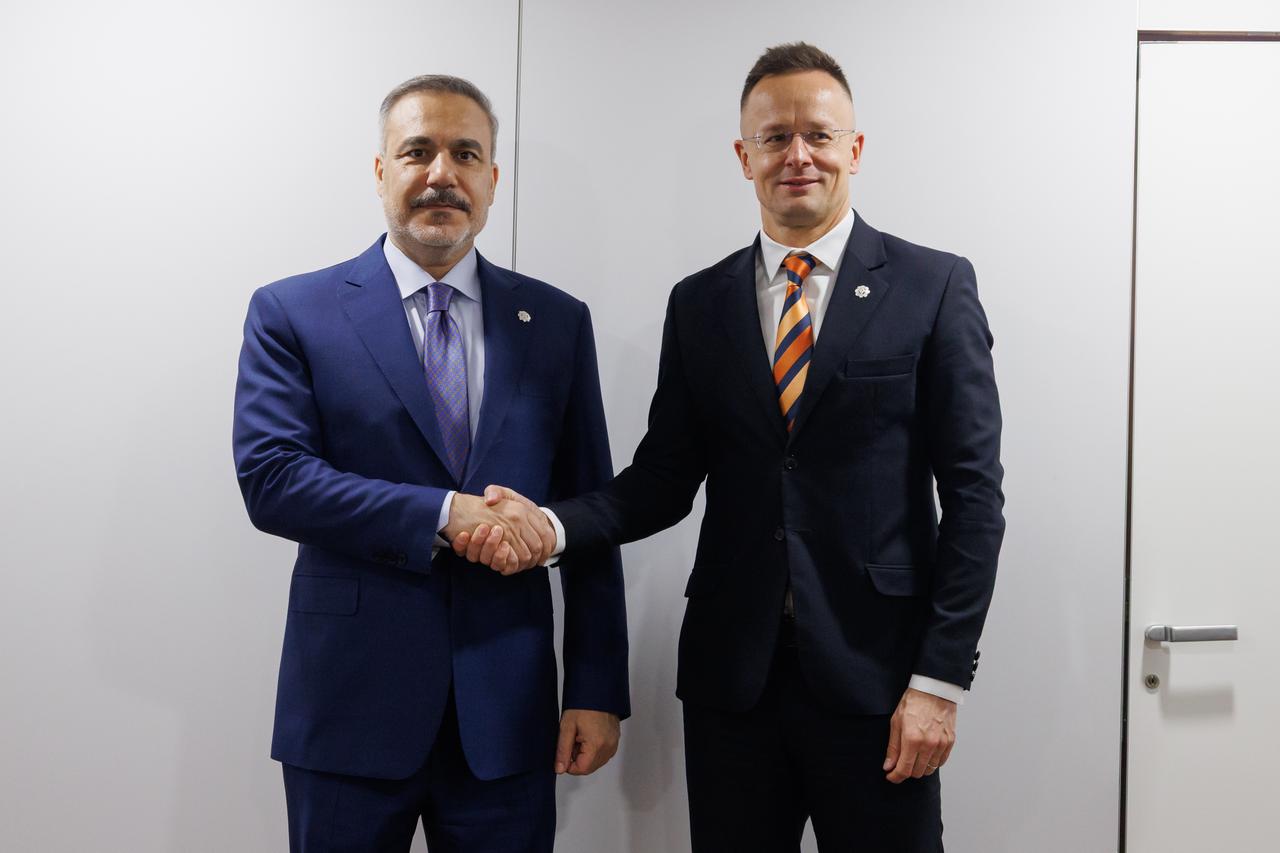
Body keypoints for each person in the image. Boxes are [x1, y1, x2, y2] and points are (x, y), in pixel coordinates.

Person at [454, 43, 1004, 853]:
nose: (798, 154)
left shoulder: (934, 285)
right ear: (743, 156)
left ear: (855, 148)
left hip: (881, 682)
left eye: (818, 134)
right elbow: (663, 480)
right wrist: (551, 525)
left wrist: (939, 679)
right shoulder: (701, 302)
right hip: (732, 684)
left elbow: (975, 501)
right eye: (774, 138)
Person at [232, 74, 629, 853]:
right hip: (348, 710)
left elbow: (591, 512)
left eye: (465, 153)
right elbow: (273, 478)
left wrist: (594, 688)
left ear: (492, 180)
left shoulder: (555, 322)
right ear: (381, 171)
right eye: (417, 151)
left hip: (508, 712)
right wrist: (446, 514)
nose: (441, 173)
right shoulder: (292, 312)